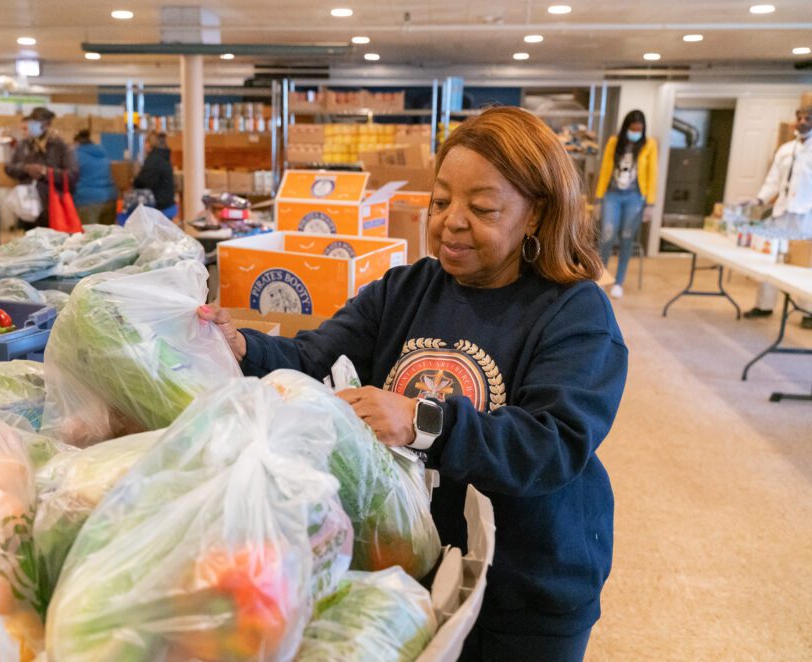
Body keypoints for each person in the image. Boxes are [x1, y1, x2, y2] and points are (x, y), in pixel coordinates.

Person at [199, 107, 628, 661]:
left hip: (529, 589)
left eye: (482, 208)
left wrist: (420, 421)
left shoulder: (575, 313)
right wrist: (244, 346)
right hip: (416, 572)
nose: (451, 220)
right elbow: (313, 359)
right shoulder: (405, 290)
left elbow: (551, 442)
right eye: (441, 200)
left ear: (536, 215)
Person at [739, 105, 812, 328]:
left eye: (807, 118)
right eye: (799, 117)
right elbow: (773, 180)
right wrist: (760, 199)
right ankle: (765, 305)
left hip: (806, 214)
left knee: (804, 265)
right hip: (782, 211)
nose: (802, 121)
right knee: (770, 258)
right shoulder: (786, 150)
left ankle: (808, 310)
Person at [595, 109, 658, 299]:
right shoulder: (614, 142)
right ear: (627, 127)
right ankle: (602, 278)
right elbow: (605, 169)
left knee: (627, 237)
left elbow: (652, 172)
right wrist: (598, 197)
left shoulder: (649, 144)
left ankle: (619, 282)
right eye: (633, 128)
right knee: (606, 235)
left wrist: (650, 204)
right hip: (612, 194)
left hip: (635, 197)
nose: (636, 131)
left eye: (639, 129)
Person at [5, 107, 78, 229]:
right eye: (32, 121)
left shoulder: (60, 146)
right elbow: (9, 168)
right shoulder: (24, 145)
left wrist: (46, 172)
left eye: (37, 122)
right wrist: (26, 168)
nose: (32, 125)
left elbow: (72, 175)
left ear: (47, 124)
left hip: (53, 208)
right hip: (28, 208)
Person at [72, 129, 117, 225]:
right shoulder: (102, 152)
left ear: (77, 142)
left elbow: (71, 178)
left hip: (88, 201)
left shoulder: (76, 155)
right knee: (108, 237)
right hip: (110, 198)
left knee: (90, 237)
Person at [133, 132, 177, 219]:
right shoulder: (164, 156)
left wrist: (135, 181)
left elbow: (143, 181)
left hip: (160, 206)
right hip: (169, 203)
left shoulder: (154, 159)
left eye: (145, 143)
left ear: (150, 144)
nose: (144, 146)